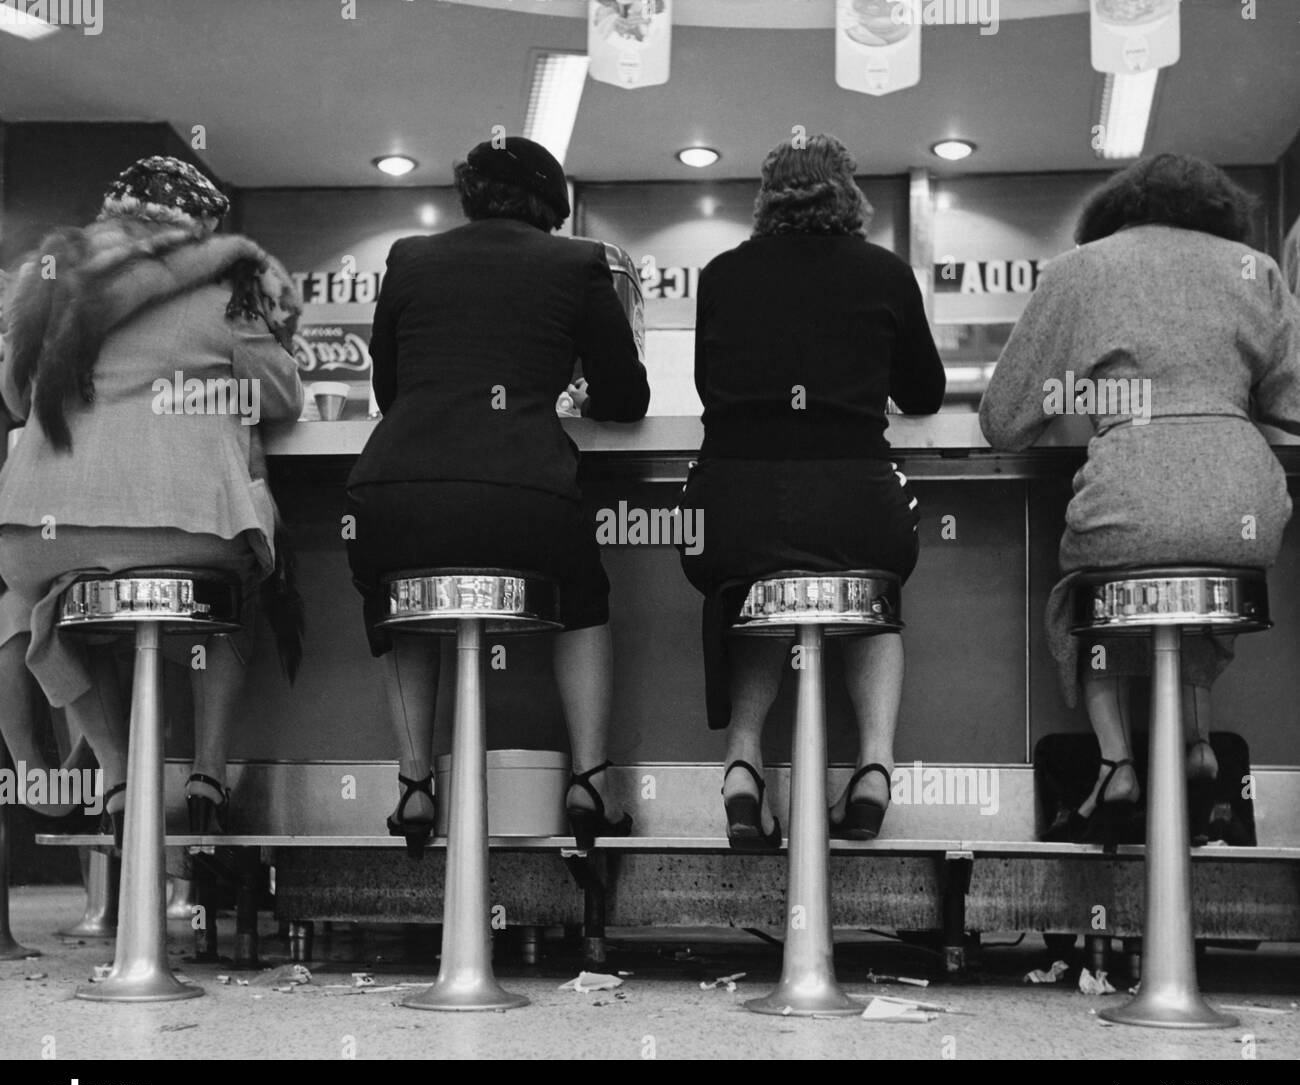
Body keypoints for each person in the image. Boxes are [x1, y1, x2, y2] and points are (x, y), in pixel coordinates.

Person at [980, 154, 1300, 843]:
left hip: (1130, 493)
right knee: (1194, 596)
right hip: (1242, 502)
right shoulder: (1255, 270)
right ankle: (1196, 746)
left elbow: (1005, 420)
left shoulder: (1082, 269)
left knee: (1090, 595)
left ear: (1113, 214)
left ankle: (1116, 761)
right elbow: (1293, 399)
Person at [345, 137, 649, 855]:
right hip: (523, 495)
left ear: (469, 196)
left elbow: (390, 391)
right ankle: (589, 781)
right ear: (551, 207)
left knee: (401, 599)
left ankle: (416, 784)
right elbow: (627, 397)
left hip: (391, 496)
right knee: (583, 596)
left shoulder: (408, 257)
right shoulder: (578, 263)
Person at [0, 156, 304, 846]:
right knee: (251, 575)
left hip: (37, 532)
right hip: (183, 525)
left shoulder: (47, 282)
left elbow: (17, 397)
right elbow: (281, 397)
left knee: (48, 602)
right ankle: (206, 775)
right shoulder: (225, 285)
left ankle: (117, 775)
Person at [678, 134, 946, 848]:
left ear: (765, 202)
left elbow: (712, 391)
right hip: (855, 508)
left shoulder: (721, 275)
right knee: (873, 578)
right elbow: (925, 392)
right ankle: (874, 769)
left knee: (759, 578)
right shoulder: (884, 272)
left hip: (730, 514)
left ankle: (742, 761)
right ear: (850, 198)